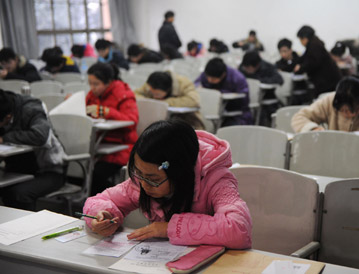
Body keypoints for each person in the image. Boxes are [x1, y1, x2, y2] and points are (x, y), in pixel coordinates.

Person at [82, 119, 252, 248]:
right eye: (138, 173)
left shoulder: (216, 181)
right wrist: (102, 216)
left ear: (180, 173)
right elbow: (100, 200)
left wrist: (169, 228)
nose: (143, 184)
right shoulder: (141, 181)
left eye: (153, 179)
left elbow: (238, 228)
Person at [0, 90, 64, 210]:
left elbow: (41, 136)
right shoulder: (5, 107)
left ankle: (26, 227)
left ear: (8, 117)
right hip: (16, 169)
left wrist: (5, 138)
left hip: (47, 171)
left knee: (18, 194)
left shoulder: (31, 109)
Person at [86, 63, 138, 195]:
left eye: (96, 84)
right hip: (98, 146)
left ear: (108, 82)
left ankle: (110, 200)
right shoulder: (92, 95)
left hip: (122, 147)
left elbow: (132, 121)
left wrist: (106, 111)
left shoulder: (124, 94)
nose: (92, 88)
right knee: (78, 170)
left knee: (94, 175)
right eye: (90, 83)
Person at [291, 76, 359, 133]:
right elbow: (299, 117)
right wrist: (313, 129)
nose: (346, 115)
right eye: (342, 111)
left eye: (351, 111)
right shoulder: (330, 100)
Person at [134, 71, 204, 130]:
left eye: (157, 94)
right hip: (157, 119)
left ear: (168, 90)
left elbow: (193, 100)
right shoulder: (151, 84)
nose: (154, 96)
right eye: (152, 93)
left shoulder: (183, 83)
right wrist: (149, 101)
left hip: (185, 120)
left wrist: (164, 103)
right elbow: (135, 94)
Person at [195, 58, 253, 126]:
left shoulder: (237, 78)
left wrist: (220, 93)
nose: (209, 80)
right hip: (210, 111)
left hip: (234, 114)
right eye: (208, 77)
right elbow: (196, 84)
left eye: (213, 79)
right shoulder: (207, 73)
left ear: (223, 75)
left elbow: (244, 101)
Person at [239, 51, 283, 126]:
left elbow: (279, 80)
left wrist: (259, 81)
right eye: (245, 67)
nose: (246, 70)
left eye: (248, 68)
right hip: (247, 97)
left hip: (266, 98)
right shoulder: (243, 66)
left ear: (257, 66)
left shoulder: (268, 67)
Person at [296, 26, 342, 97]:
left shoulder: (314, 46)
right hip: (329, 80)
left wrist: (300, 68)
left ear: (304, 38)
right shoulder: (314, 43)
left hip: (327, 81)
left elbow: (312, 63)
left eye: (300, 40)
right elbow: (304, 58)